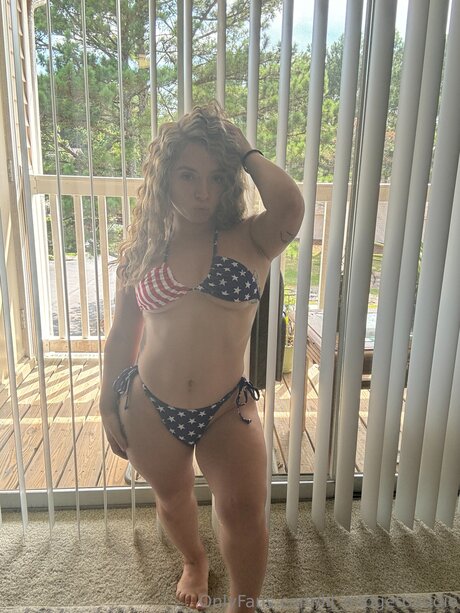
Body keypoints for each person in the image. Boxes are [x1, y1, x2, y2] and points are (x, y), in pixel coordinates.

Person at [99, 103, 304, 613]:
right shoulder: (143, 248)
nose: (202, 192)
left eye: (215, 177)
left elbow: (291, 207)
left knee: (244, 513)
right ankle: (194, 560)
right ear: (165, 177)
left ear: (231, 181)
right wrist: (106, 401)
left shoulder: (252, 238)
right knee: (172, 500)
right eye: (188, 175)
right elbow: (123, 332)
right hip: (150, 404)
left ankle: (243, 604)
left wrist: (246, 152)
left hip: (225, 408)